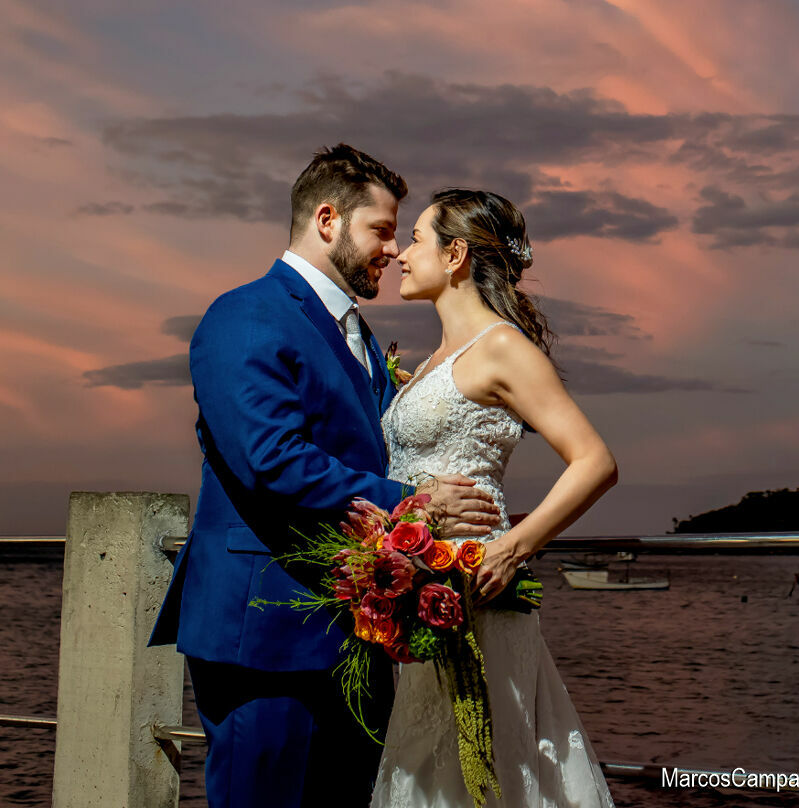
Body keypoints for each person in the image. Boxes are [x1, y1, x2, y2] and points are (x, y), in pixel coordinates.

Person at [149, 145, 502, 808]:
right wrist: (415, 504)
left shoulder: (361, 337)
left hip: (356, 632)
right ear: (328, 219)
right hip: (266, 632)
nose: (393, 250)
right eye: (381, 229)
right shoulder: (246, 315)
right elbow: (271, 461)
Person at [371, 187, 619, 808]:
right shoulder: (430, 363)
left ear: (455, 255)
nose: (401, 253)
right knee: (428, 765)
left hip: (476, 589)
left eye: (417, 240)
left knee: (485, 765)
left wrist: (514, 546)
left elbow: (594, 461)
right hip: (420, 593)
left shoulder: (502, 348)